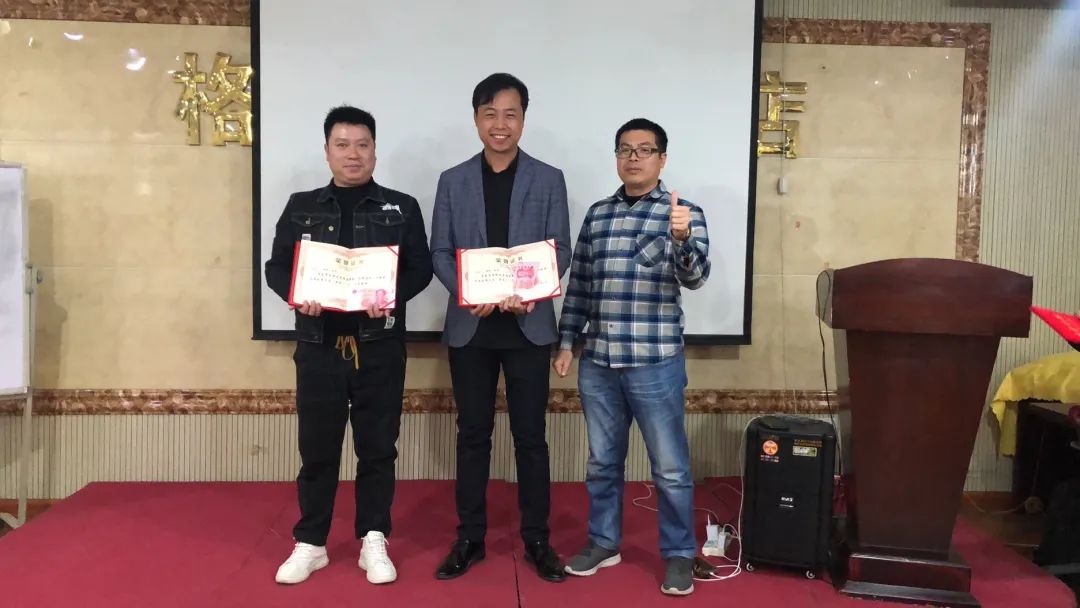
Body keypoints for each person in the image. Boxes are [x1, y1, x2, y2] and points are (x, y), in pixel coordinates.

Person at [265, 106, 433, 585]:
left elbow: (420, 268)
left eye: (362, 145)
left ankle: (373, 539)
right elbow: (277, 267)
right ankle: (311, 542)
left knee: (378, 448)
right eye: (342, 145)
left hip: (379, 346)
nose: (352, 154)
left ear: (375, 151)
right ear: (327, 152)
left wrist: (390, 296)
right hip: (318, 344)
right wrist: (299, 294)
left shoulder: (401, 207)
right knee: (317, 448)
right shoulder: (301, 206)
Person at [553, 118, 711, 596]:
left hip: (654, 361)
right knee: (602, 463)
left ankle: (679, 553)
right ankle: (604, 542)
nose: (634, 158)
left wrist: (682, 240)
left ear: (662, 159)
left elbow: (696, 278)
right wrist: (566, 342)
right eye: (625, 149)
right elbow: (580, 283)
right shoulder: (598, 214)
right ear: (617, 157)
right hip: (599, 361)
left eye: (645, 150)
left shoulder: (682, 213)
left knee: (670, 468)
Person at [429, 73, 571, 582]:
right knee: (473, 435)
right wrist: (471, 293)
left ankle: (538, 540)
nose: (500, 124)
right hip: (473, 328)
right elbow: (439, 251)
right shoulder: (452, 180)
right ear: (476, 119)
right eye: (490, 114)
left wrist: (530, 291)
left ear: (523, 119)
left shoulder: (549, 178)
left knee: (531, 437)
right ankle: (470, 537)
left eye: (510, 114)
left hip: (529, 326)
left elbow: (560, 249)